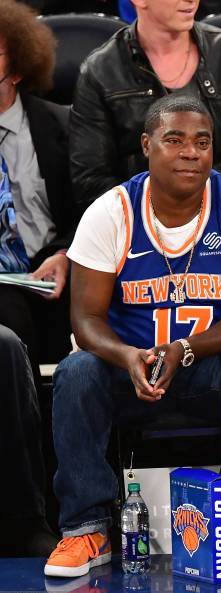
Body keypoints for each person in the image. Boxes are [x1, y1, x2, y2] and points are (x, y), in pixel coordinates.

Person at [44, 96, 221, 579]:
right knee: (76, 370)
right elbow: (85, 321)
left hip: (205, 371)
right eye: (175, 140)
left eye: (202, 142)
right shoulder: (111, 212)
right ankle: (86, 528)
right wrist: (127, 355)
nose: (191, 152)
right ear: (146, 145)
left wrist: (186, 349)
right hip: (131, 373)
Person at [70, 0, 221, 221]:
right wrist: (163, 204)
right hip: (138, 220)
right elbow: (91, 181)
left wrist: (199, 188)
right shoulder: (100, 71)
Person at [0, 0, 74, 556]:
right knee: (12, 326)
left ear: (18, 65)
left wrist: (70, 254)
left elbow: (94, 209)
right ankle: (29, 514)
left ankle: (76, 510)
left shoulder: (58, 124)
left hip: (53, 267)